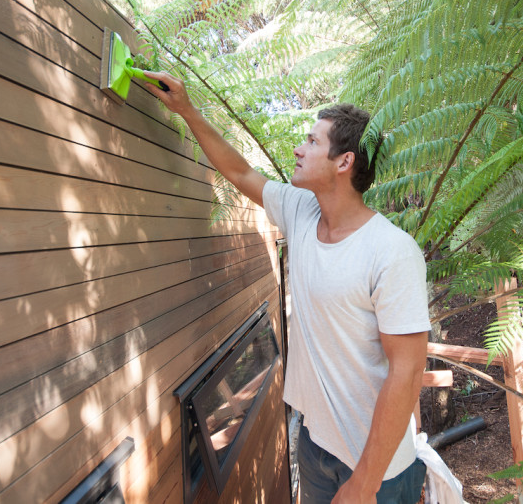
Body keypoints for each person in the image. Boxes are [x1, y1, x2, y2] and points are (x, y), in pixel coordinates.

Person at [144, 71, 431, 504]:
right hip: (315, 445)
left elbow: (406, 374)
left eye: (313, 142)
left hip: (378, 468)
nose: (299, 148)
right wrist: (186, 109)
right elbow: (239, 171)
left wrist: (364, 484)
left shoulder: (392, 250)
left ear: (344, 161)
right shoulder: (300, 210)